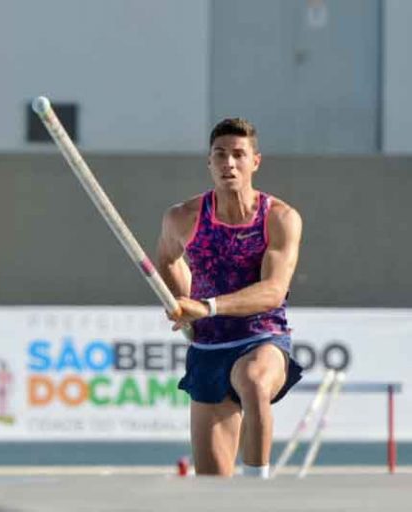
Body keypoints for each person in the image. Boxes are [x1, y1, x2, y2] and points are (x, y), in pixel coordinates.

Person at [156, 118, 303, 478]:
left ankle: (258, 490)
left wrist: (205, 307)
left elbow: (273, 291)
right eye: (220, 155)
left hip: (261, 337)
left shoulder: (279, 218)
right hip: (209, 348)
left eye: (239, 154)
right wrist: (181, 301)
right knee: (212, 485)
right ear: (209, 162)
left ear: (255, 161)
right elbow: (167, 258)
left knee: (253, 380)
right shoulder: (183, 218)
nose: (229, 163)